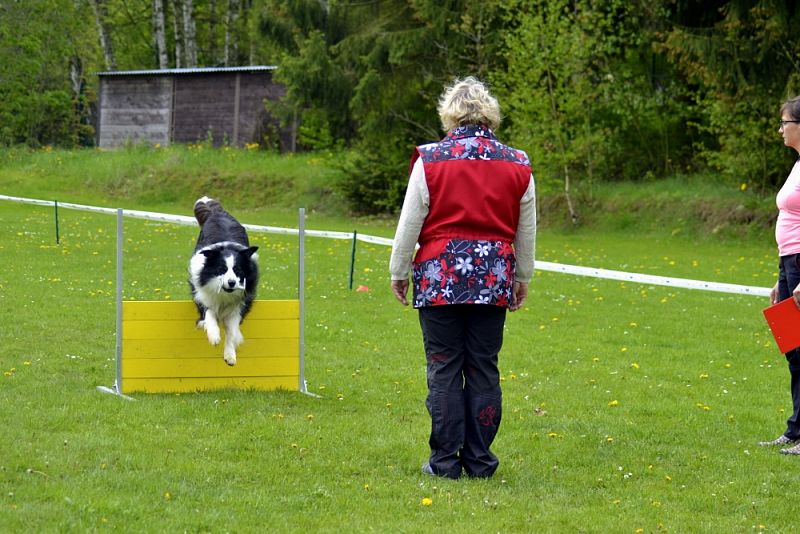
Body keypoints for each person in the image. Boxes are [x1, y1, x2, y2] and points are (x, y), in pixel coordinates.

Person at [389, 77, 536, 479]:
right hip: (493, 280)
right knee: (484, 367)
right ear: (491, 115)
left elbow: (409, 223)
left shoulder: (431, 160)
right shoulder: (519, 163)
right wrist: (522, 276)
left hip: (440, 278)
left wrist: (399, 271)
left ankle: (444, 462)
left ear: (449, 115)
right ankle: (480, 460)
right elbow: (526, 229)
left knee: (444, 366)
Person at [759, 96, 800, 454]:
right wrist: (781, 278)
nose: (781, 129)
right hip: (788, 264)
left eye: (785, 122)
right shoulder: (798, 165)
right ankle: (796, 429)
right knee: (792, 347)